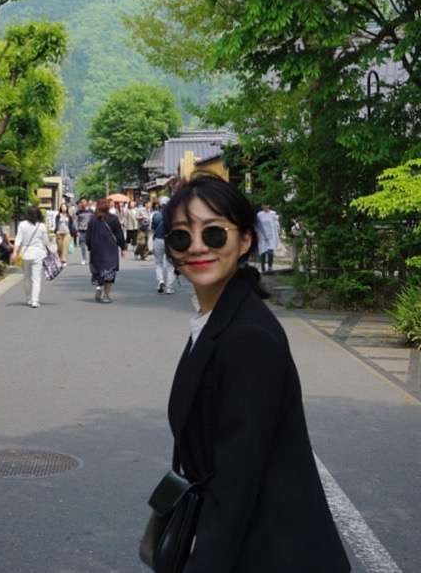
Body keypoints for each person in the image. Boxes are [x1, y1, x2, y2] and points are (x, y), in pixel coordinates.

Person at [160, 175, 350, 572]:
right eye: (181, 237)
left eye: (214, 233)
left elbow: (236, 480)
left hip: (271, 553)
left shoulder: (248, 338)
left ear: (244, 240)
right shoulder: (221, 318)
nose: (197, 247)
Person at [85, 197, 126, 303]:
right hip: (110, 248)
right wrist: (122, 247)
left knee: (98, 269)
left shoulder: (93, 219)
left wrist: (89, 248)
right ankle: (106, 295)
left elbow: (88, 236)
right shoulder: (113, 219)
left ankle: (98, 287)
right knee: (109, 271)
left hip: (96, 248)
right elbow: (119, 234)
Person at [12, 203, 50, 308]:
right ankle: (35, 300)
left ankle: (28, 299)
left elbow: (18, 239)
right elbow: (45, 241)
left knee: (26, 278)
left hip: (25, 254)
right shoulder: (41, 226)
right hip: (38, 253)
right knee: (36, 279)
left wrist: (14, 252)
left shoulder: (22, 225)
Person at [150, 201, 175, 293]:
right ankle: (169, 287)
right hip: (169, 241)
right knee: (170, 264)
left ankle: (160, 281)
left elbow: (153, 229)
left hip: (158, 240)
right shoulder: (173, 216)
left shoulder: (156, 216)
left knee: (158, 263)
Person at [255, 202, 281, 275]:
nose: (265, 206)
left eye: (267, 205)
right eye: (264, 205)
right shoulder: (259, 215)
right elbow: (257, 225)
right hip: (262, 235)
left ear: (269, 205)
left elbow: (276, 223)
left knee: (270, 251)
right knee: (263, 251)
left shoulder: (273, 214)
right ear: (262, 206)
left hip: (271, 235)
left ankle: (270, 266)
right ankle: (263, 267)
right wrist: (256, 233)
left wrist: (279, 230)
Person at [73, 196, 93, 265]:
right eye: (81, 202)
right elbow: (75, 222)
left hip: (90, 230)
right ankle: (84, 259)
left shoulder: (91, 211)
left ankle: (91, 258)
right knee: (83, 246)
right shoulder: (78, 212)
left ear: (87, 202)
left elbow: (94, 220)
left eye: (84, 202)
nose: (83, 203)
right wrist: (77, 230)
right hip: (81, 230)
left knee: (91, 245)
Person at [54, 202, 74, 267]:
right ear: (60, 208)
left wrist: (72, 233)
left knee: (65, 246)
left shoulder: (69, 216)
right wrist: (56, 230)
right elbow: (56, 224)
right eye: (62, 207)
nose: (63, 208)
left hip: (67, 233)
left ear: (67, 208)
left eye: (65, 207)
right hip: (59, 233)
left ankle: (64, 260)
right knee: (59, 247)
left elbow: (71, 225)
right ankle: (60, 259)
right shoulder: (58, 216)